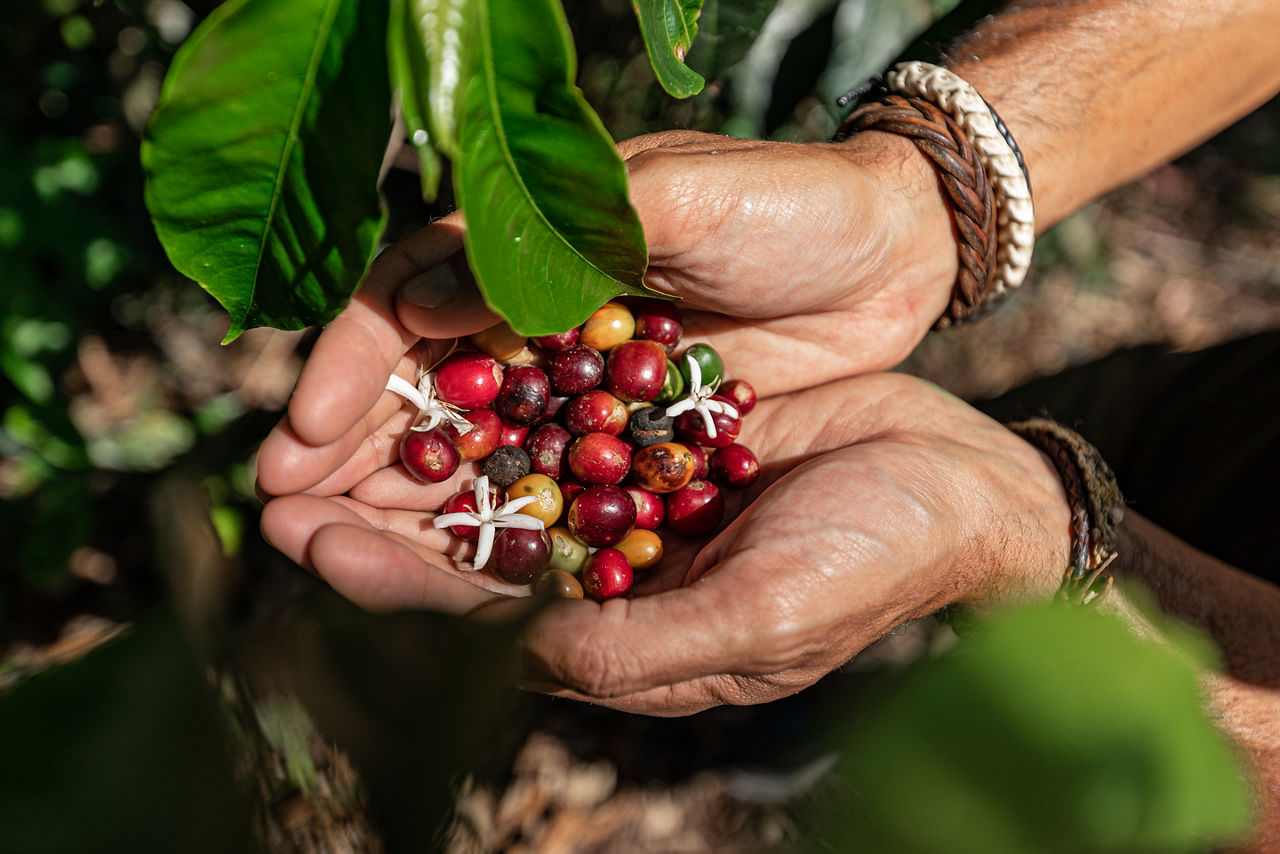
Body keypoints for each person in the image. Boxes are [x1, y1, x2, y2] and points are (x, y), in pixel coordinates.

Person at [256, 0, 1280, 843]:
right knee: (1104, 434)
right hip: (1238, 416)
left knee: (973, 643)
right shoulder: (616, 408)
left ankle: (853, 713)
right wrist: (919, 198)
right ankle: (812, 709)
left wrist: (1019, 536)